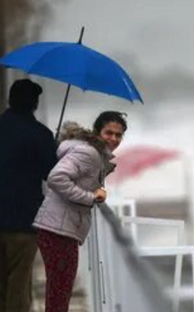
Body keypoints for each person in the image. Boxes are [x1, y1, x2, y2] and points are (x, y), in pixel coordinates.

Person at [0, 79, 57, 312]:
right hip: (25, 222)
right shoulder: (41, 134)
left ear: (10, 99)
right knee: (18, 286)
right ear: (34, 104)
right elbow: (52, 175)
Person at [33, 111, 127, 312]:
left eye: (118, 135)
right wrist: (91, 197)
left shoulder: (93, 153)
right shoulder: (89, 153)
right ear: (97, 131)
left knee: (58, 292)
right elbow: (56, 178)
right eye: (108, 132)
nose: (113, 139)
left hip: (58, 228)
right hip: (58, 230)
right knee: (59, 294)